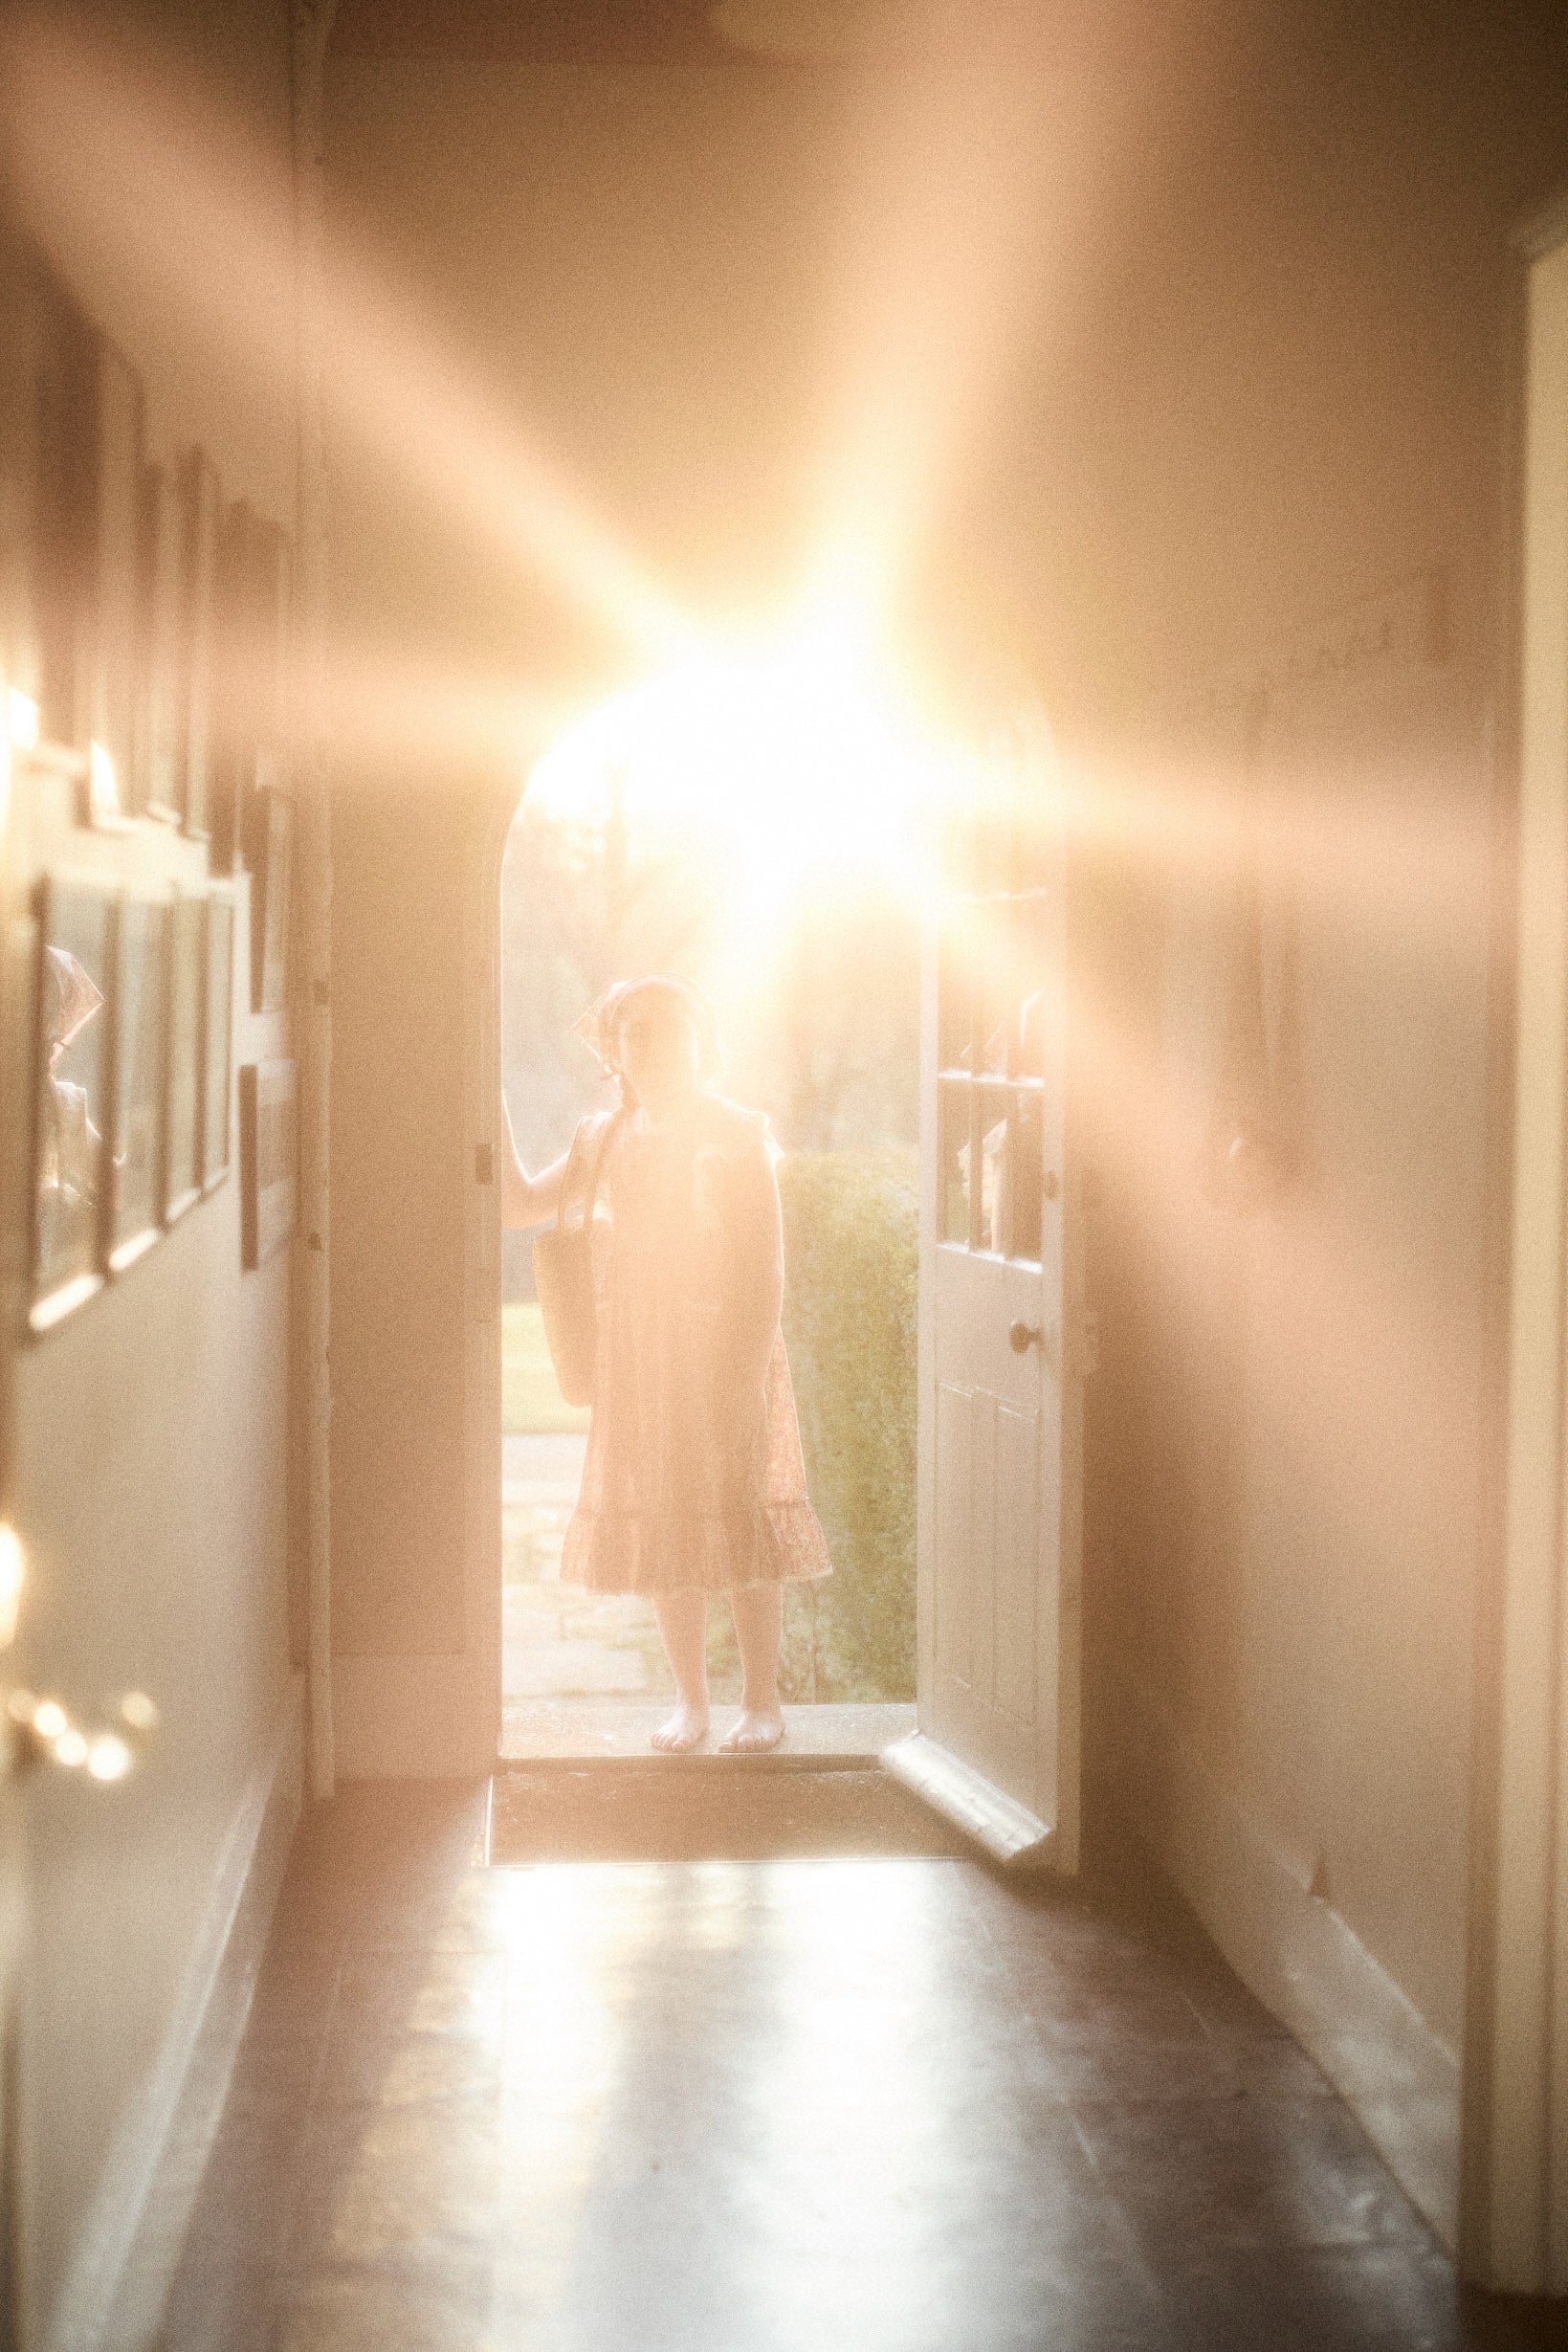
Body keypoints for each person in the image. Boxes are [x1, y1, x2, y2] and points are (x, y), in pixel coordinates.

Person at [500, 975, 832, 1752]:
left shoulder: (735, 1133)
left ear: (698, 1043)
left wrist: (742, 1379)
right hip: (640, 1359)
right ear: (613, 1050)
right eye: (634, 1033)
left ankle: (761, 1701)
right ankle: (690, 1703)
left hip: (722, 1350)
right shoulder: (602, 1138)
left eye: (667, 1030)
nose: (651, 1046)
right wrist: (485, 1094)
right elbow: (517, 1206)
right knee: (663, 1522)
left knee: (741, 1516)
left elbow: (764, 1268)